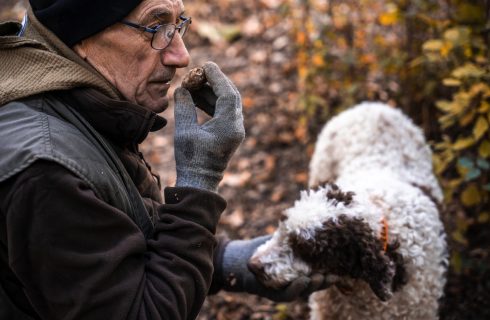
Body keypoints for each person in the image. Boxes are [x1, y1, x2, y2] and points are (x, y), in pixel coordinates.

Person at [0, 0, 329, 319]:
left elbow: (123, 238)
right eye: (155, 27)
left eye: (179, 24)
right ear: (81, 35)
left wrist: (229, 262)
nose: (181, 55)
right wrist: (199, 180)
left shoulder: (78, 105)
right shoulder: (45, 171)